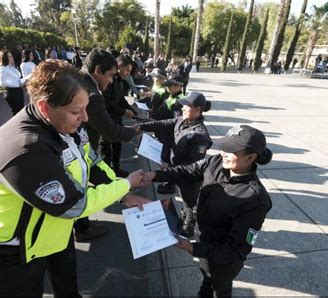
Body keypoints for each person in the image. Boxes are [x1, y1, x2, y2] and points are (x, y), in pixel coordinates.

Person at [0, 60, 150, 296]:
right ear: (44, 107)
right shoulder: (25, 148)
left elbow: (91, 162)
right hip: (10, 253)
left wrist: (122, 193)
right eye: (76, 111)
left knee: (68, 289)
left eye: (86, 108)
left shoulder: (65, 124)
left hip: (53, 233)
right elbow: (74, 205)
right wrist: (126, 183)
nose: (85, 118)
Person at [142, 124, 273, 297]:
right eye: (224, 147)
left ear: (250, 158)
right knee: (206, 278)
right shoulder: (217, 162)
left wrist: (192, 248)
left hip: (223, 260)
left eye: (231, 150)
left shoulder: (256, 200)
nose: (223, 153)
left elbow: (236, 250)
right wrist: (156, 176)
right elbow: (190, 170)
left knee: (220, 287)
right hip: (204, 241)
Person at [77, 48, 139, 241]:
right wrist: (134, 131)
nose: (83, 119)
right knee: (79, 184)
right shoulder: (92, 95)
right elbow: (110, 132)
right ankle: (81, 227)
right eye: (110, 75)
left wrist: (122, 190)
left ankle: (82, 224)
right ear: (97, 70)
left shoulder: (78, 80)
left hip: (83, 149)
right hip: (78, 152)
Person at [136, 92, 212, 236]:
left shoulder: (200, 136)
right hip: (176, 170)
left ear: (198, 110)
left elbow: (194, 166)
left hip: (189, 176)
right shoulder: (182, 120)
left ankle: (189, 228)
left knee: (189, 201)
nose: (183, 108)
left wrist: (170, 169)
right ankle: (184, 216)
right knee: (183, 197)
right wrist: (141, 127)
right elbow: (162, 124)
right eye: (183, 104)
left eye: (187, 106)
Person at [101, 54, 137, 177]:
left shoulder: (119, 81)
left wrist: (132, 111)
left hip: (116, 118)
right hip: (106, 119)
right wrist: (124, 111)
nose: (128, 73)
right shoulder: (109, 80)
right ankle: (107, 175)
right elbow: (107, 102)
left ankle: (116, 169)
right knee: (106, 149)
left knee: (118, 145)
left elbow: (121, 99)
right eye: (127, 70)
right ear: (120, 66)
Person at [0, 49, 26, 115]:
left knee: (21, 111)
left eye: (11, 56)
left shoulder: (12, 67)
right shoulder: (2, 68)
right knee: (17, 112)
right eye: (10, 57)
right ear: (4, 58)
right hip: (12, 92)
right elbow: (2, 83)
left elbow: (17, 78)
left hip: (18, 90)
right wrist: (17, 84)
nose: (12, 58)